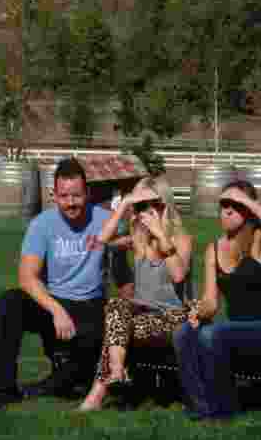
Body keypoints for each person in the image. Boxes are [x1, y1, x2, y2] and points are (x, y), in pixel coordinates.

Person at [0, 158, 111, 409]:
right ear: (54, 195)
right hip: (54, 304)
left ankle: (52, 383)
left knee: (78, 379)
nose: (70, 202)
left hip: (91, 306)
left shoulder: (105, 220)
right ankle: (3, 391)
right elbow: (27, 277)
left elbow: (135, 248)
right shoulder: (42, 224)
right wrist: (56, 310)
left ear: (87, 193)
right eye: (64, 196)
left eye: (76, 195)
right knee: (9, 303)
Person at [173, 180, 261, 421]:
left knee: (212, 334)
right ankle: (200, 406)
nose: (226, 212)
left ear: (247, 209)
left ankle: (223, 410)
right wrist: (199, 312)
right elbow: (211, 302)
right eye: (223, 206)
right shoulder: (213, 250)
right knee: (183, 333)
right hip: (236, 327)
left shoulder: (260, 239)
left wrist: (245, 199)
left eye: (234, 207)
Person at [78, 176, 194, 411]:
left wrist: (161, 235)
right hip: (140, 312)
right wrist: (124, 205)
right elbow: (100, 241)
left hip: (174, 317)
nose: (145, 213)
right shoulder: (137, 239)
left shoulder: (181, 239)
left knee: (117, 327)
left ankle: (96, 394)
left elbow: (178, 275)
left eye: (151, 205)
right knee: (116, 306)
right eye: (140, 206)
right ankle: (117, 372)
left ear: (164, 205)